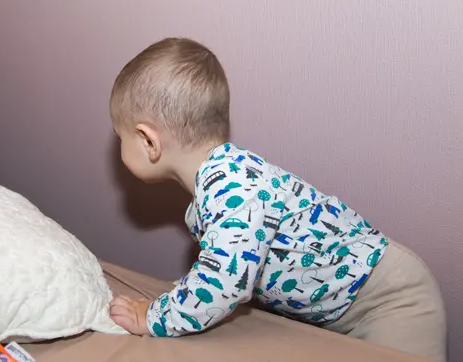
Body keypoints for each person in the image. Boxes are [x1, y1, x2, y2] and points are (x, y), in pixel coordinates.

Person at [107, 37, 447, 361]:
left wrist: (152, 316)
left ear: (148, 141)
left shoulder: (232, 187)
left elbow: (223, 283)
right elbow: (220, 265)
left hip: (389, 299)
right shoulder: (221, 184)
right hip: (340, 309)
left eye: (119, 136)